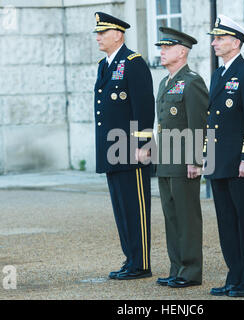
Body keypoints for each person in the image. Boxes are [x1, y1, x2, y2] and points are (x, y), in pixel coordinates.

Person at [204, 14, 244, 298]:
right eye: (214, 38)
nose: (215, 43)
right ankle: (234, 275)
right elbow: (211, 120)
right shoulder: (219, 74)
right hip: (218, 160)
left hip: (239, 162)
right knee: (226, 222)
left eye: (220, 38)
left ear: (236, 41)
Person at [93, 12, 155, 280]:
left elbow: (143, 106)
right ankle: (130, 259)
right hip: (111, 149)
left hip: (131, 150)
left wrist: (143, 144)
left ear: (118, 34)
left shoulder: (133, 63)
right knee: (121, 207)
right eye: (97, 33)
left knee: (136, 207)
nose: (98, 37)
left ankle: (141, 263)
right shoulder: (104, 65)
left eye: (102, 33)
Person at [153, 27, 208, 288]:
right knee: (171, 216)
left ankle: (191, 271)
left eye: (167, 48)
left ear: (182, 51)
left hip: (185, 160)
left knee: (187, 217)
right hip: (166, 159)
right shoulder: (165, 82)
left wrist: (196, 159)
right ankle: (177, 268)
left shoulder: (193, 81)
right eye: (161, 48)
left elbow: (199, 123)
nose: (162, 52)